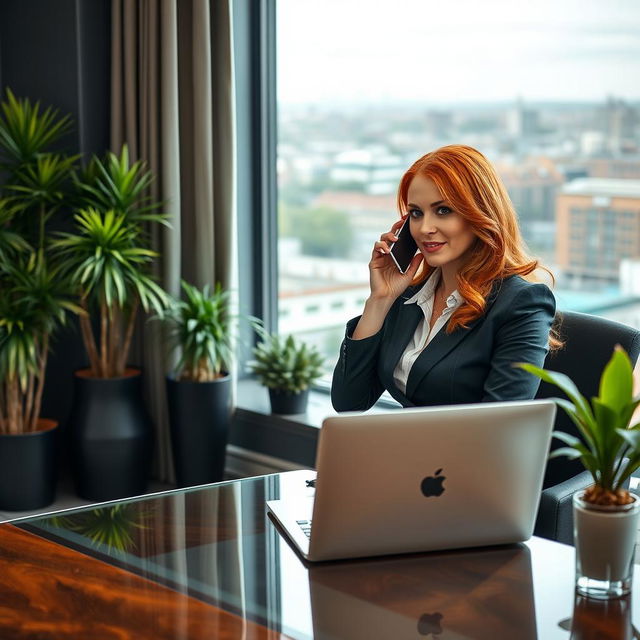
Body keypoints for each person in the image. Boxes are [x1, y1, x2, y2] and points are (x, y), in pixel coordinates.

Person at [331, 144, 557, 412]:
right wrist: (380, 299)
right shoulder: (407, 296)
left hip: (468, 453)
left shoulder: (522, 303)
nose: (425, 228)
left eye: (443, 210)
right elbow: (349, 402)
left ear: (480, 214)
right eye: (416, 213)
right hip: (405, 446)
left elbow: (498, 428)